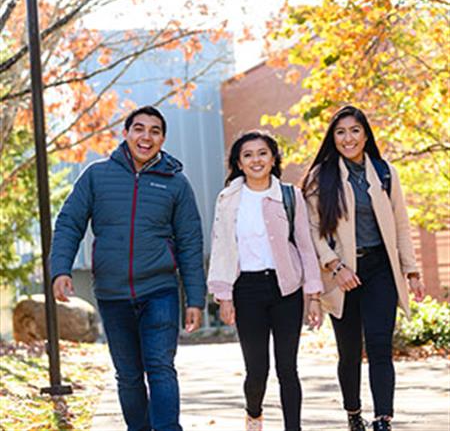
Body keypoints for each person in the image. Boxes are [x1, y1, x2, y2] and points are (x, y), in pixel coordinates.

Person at [50, 105, 206, 431]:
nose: (146, 137)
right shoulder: (96, 175)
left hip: (160, 289)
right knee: (129, 374)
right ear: (126, 133)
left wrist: (195, 299)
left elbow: (191, 243)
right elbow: (69, 223)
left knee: (161, 367)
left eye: (155, 131)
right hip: (112, 291)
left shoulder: (176, 184)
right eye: (139, 128)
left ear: (163, 139)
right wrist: (61, 269)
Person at [303, 106, 425, 431]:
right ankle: (353, 413)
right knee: (349, 352)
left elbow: (401, 224)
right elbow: (312, 230)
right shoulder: (320, 177)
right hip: (342, 273)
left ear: (366, 134)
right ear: (333, 137)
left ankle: (383, 418)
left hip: (380, 270)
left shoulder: (385, 172)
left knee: (380, 345)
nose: (348, 138)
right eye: (341, 132)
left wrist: (411, 271)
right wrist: (335, 265)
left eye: (355, 130)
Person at [207, 130, 323, 431]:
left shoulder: (289, 195)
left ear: (273, 158)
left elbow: (305, 246)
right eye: (248, 155)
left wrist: (313, 295)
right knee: (257, 370)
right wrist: (224, 295)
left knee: (288, 368)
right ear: (239, 163)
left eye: (262, 153)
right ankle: (254, 414)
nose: (255, 159)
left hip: (287, 288)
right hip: (246, 290)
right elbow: (221, 247)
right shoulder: (228, 198)